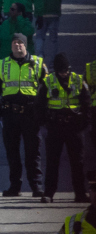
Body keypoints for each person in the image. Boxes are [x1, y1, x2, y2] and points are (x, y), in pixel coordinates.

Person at [0, 32, 47, 197]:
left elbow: (47, 89)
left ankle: (37, 187)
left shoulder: (38, 64)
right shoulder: (3, 64)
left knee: (33, 152)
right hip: (9, 114)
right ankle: (15, 186)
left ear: (25, 45)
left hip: (30, 115)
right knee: (12, 152)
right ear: (11, 46)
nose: (17, 45)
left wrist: (45, 113)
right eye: (14, 42)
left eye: (20, 43)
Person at [44, 54, 92, 204]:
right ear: (56, 71)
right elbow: (40, 105)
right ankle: (48, 194)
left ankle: (80, 194)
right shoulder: (48, 81)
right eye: (60, 71)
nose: (63, 73)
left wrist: (82, 124)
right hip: (55, 127)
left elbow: (87, 104)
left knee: (77, 162)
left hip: (74, 128)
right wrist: (47, 123)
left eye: (65, 70)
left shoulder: (78, 80)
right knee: (52, 162)